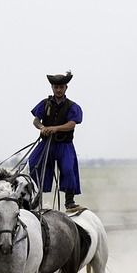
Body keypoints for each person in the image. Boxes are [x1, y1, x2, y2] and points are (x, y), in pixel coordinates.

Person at [28, 70, 83, 211]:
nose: (58, 90)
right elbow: (36, 120)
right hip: (47, 144)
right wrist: (42, 128)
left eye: (61, 87)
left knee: (68, 169)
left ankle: (69, 201)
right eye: (56, 87)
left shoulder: (72, 106)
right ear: (52, 88)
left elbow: (72, 124)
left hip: (65, 145)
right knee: (33, 163)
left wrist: (55, 128)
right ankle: (35, 197)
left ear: (66, 88)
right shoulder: (45, 103)